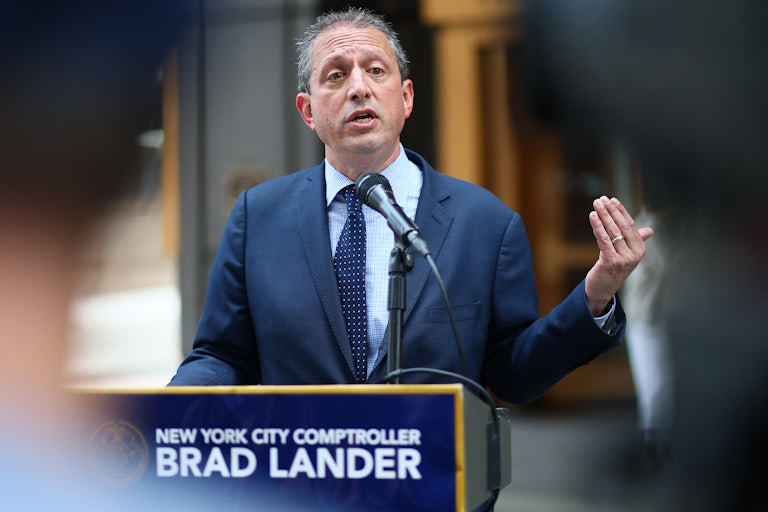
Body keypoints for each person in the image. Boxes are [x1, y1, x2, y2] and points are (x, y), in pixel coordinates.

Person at [169, 7, 652, 407]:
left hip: (434, 484)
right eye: (336, 75)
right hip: (302, 485)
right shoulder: (259, 217)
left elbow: (513, 375)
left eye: (376, 71)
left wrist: (594, 297)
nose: (359, 87)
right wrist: (164, 410)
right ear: (308, 111)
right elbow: (221, 353)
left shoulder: (485, 223)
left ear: (405, 98)